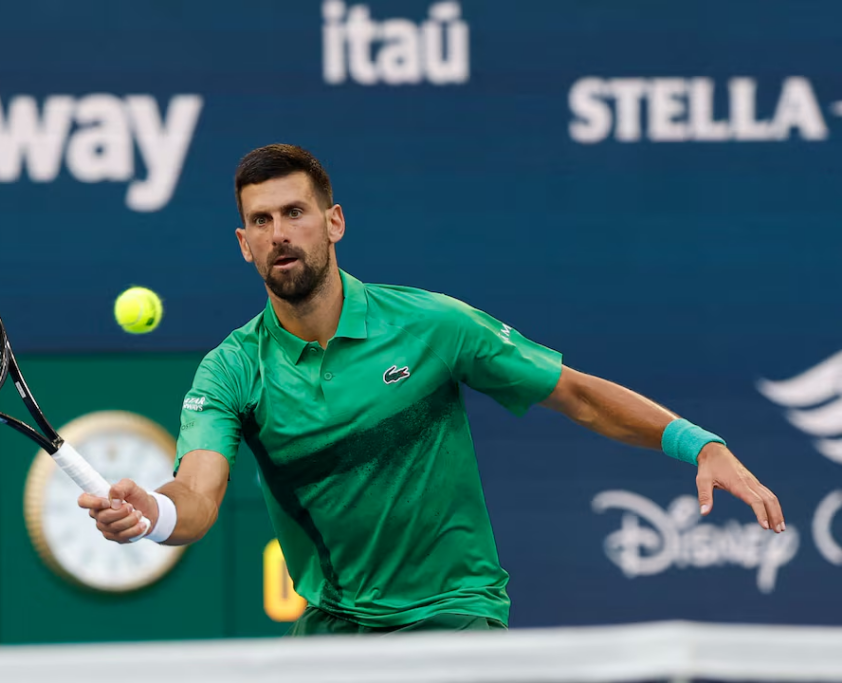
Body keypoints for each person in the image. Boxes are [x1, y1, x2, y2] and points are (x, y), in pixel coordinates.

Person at [78, 144, 785, 635]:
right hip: (339, 624)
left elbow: (575, 393)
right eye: (260, 221)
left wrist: (700, 442)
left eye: (294, 212)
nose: (279, 234)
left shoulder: (433, 326)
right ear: (242, 242)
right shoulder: (230, 370)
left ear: (334, 221)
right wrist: (156, 516)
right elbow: (198, 495)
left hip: (454, 611)